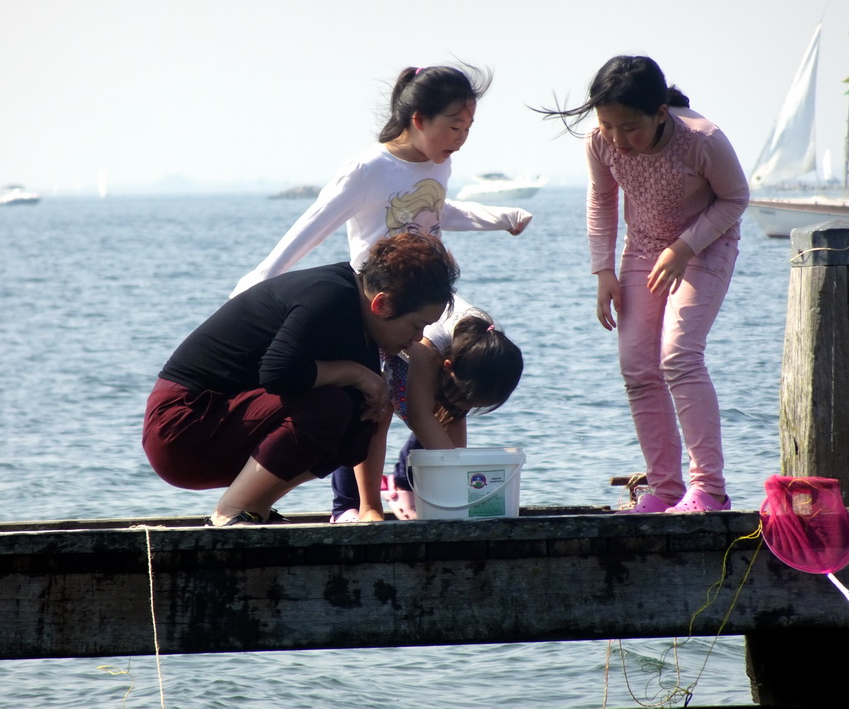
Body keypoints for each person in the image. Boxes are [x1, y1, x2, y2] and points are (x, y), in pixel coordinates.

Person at [537, 55, 749, 513]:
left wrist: (684, 249)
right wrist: (603, 272)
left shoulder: (702, 139)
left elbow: (735, 198)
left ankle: (709, 489)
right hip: (643, 248)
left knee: (679, 355)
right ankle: (665, 489)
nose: (618, 139)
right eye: (607, 125)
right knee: (637, 368)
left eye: (629, 127)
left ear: (659, 113)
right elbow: (601, 200)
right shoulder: (601, 143)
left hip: (705, 246)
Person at [142, 234, 459, 525]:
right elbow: (279, 373)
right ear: (381, 303)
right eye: (416, 326)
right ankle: (230, 513)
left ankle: (256, 509)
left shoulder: (361, 319)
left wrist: (370, 504)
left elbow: (357, 435)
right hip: (180, 426)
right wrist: (357, 373)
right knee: (329, 405)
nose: (418, 338)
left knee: (356, 420)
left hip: (216, 428)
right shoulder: (329, 297)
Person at [230, 64, 532, 297]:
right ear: (420, 120)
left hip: (424, 293)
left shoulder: (440, 164)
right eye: (455, 127)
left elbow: (436, 212)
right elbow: (314, 226)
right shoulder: (369, 168)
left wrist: (503, 218)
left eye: (468, 129)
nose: (461, 139)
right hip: (377, 299)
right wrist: (257, 281)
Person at [330, 296, 523, 521]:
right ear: (447, 368)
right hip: (385, 335)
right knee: (374, 413)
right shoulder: (430, 349)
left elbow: (452, 429)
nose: (466, 408)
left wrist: (458, 496)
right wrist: (457, 470)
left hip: (428, 350)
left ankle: (410, 486)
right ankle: (358, 506)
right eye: (465, 399)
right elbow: (419, 415)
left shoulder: (486, 351)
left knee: (448, 418)